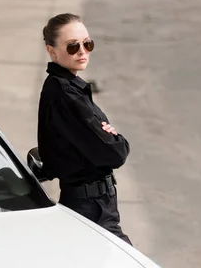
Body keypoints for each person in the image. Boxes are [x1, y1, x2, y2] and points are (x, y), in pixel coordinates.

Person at [37, 13, 132, 245]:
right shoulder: (67, 96)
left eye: (87, 43)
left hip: (94, 206)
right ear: (52, 51)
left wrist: (107, 136)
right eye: (72, 47)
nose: (82, 51)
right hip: (92, 210)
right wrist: (116, 138)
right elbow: (115, 153)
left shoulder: (65, 88)